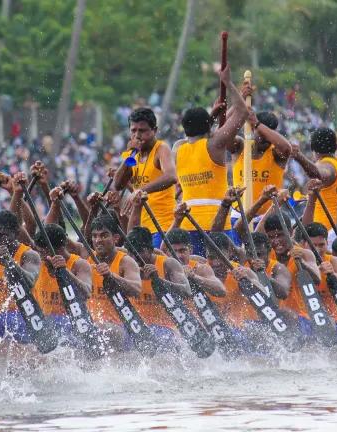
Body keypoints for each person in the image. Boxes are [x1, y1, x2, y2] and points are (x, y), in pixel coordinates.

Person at [174, 65, 247, 256]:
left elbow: (198, 133)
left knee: (196, 274)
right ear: (208, 126)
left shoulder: (177, 148)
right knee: (224, 274)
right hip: (218, 224)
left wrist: (211, 117)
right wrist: (228, 83)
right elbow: (242, 112)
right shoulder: (214, 145)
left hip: (187, 225)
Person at [115, 108, 177, 247]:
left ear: (154, 130)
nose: (137, 135)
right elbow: (118, 184)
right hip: (140, 229)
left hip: (162, 227)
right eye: (133, 130)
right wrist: (131, 154)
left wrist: (140, 191)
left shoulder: (161, 149)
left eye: (142, 131)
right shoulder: (133, 155)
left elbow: (171, 176)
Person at [0, 210, 41, 342]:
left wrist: (10, 262)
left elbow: (30, 281)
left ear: (17, 234)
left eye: (3, 236)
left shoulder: (29, 255)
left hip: (19, 315)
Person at [125, 226, 191, 348]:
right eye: (131, 253)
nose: (134, 258)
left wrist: (158, 280)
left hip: (167, 328)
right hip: (136, 326)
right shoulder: (126, 263)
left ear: (150, 250)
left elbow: (187, 291)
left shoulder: (168, 264)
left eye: (139, 253)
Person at [86, 215, 143, 350]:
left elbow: (136, 289)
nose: (98, 240)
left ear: (116, 238)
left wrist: (112, 276)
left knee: (103, 330)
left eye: (104, 236)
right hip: (93, 326)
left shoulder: (126, 262)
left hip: (122, 326)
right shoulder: (86, 259)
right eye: (94, 236)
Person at [32, 223, 93, 346]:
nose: (41, 256)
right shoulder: (37, 262)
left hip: (74, 321)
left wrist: (65, 271)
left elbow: (86, 293)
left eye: (43, 253)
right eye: (39, 252)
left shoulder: (79, 264)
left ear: (59, 250)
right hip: (46, 322)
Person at [295, 222, 337, 341]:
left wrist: (333, 274)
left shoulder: (336, 262)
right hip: (305, 318)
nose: (317, 250)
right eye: (313, 246)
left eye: (321, 245)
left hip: (335, 320)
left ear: (327, 243)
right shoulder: (297, 261)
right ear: (303, 245)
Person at [228, 108, 291, 221]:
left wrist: (257, 124)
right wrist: (238, 109)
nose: (265, 138)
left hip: (267, 219)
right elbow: (224, 134)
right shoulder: (240, 146)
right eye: (261, 133)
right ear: (252, 129)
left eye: (268, 133)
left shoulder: (276, 153)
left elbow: (287, 148)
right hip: (238, 215)